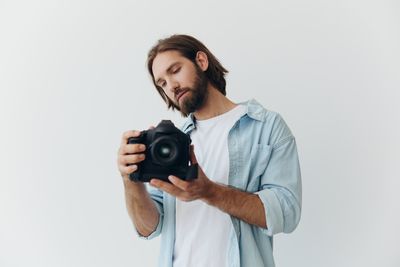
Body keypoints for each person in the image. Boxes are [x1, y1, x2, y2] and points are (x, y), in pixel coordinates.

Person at [117, 34, 302, 267]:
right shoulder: (168, 143)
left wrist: (209, 192)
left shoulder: (266, 127)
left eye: (175, 70)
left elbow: (287, 213)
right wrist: (130, 179)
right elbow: (149, 227)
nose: (171, 86)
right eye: (162, 83)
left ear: (201, 61)